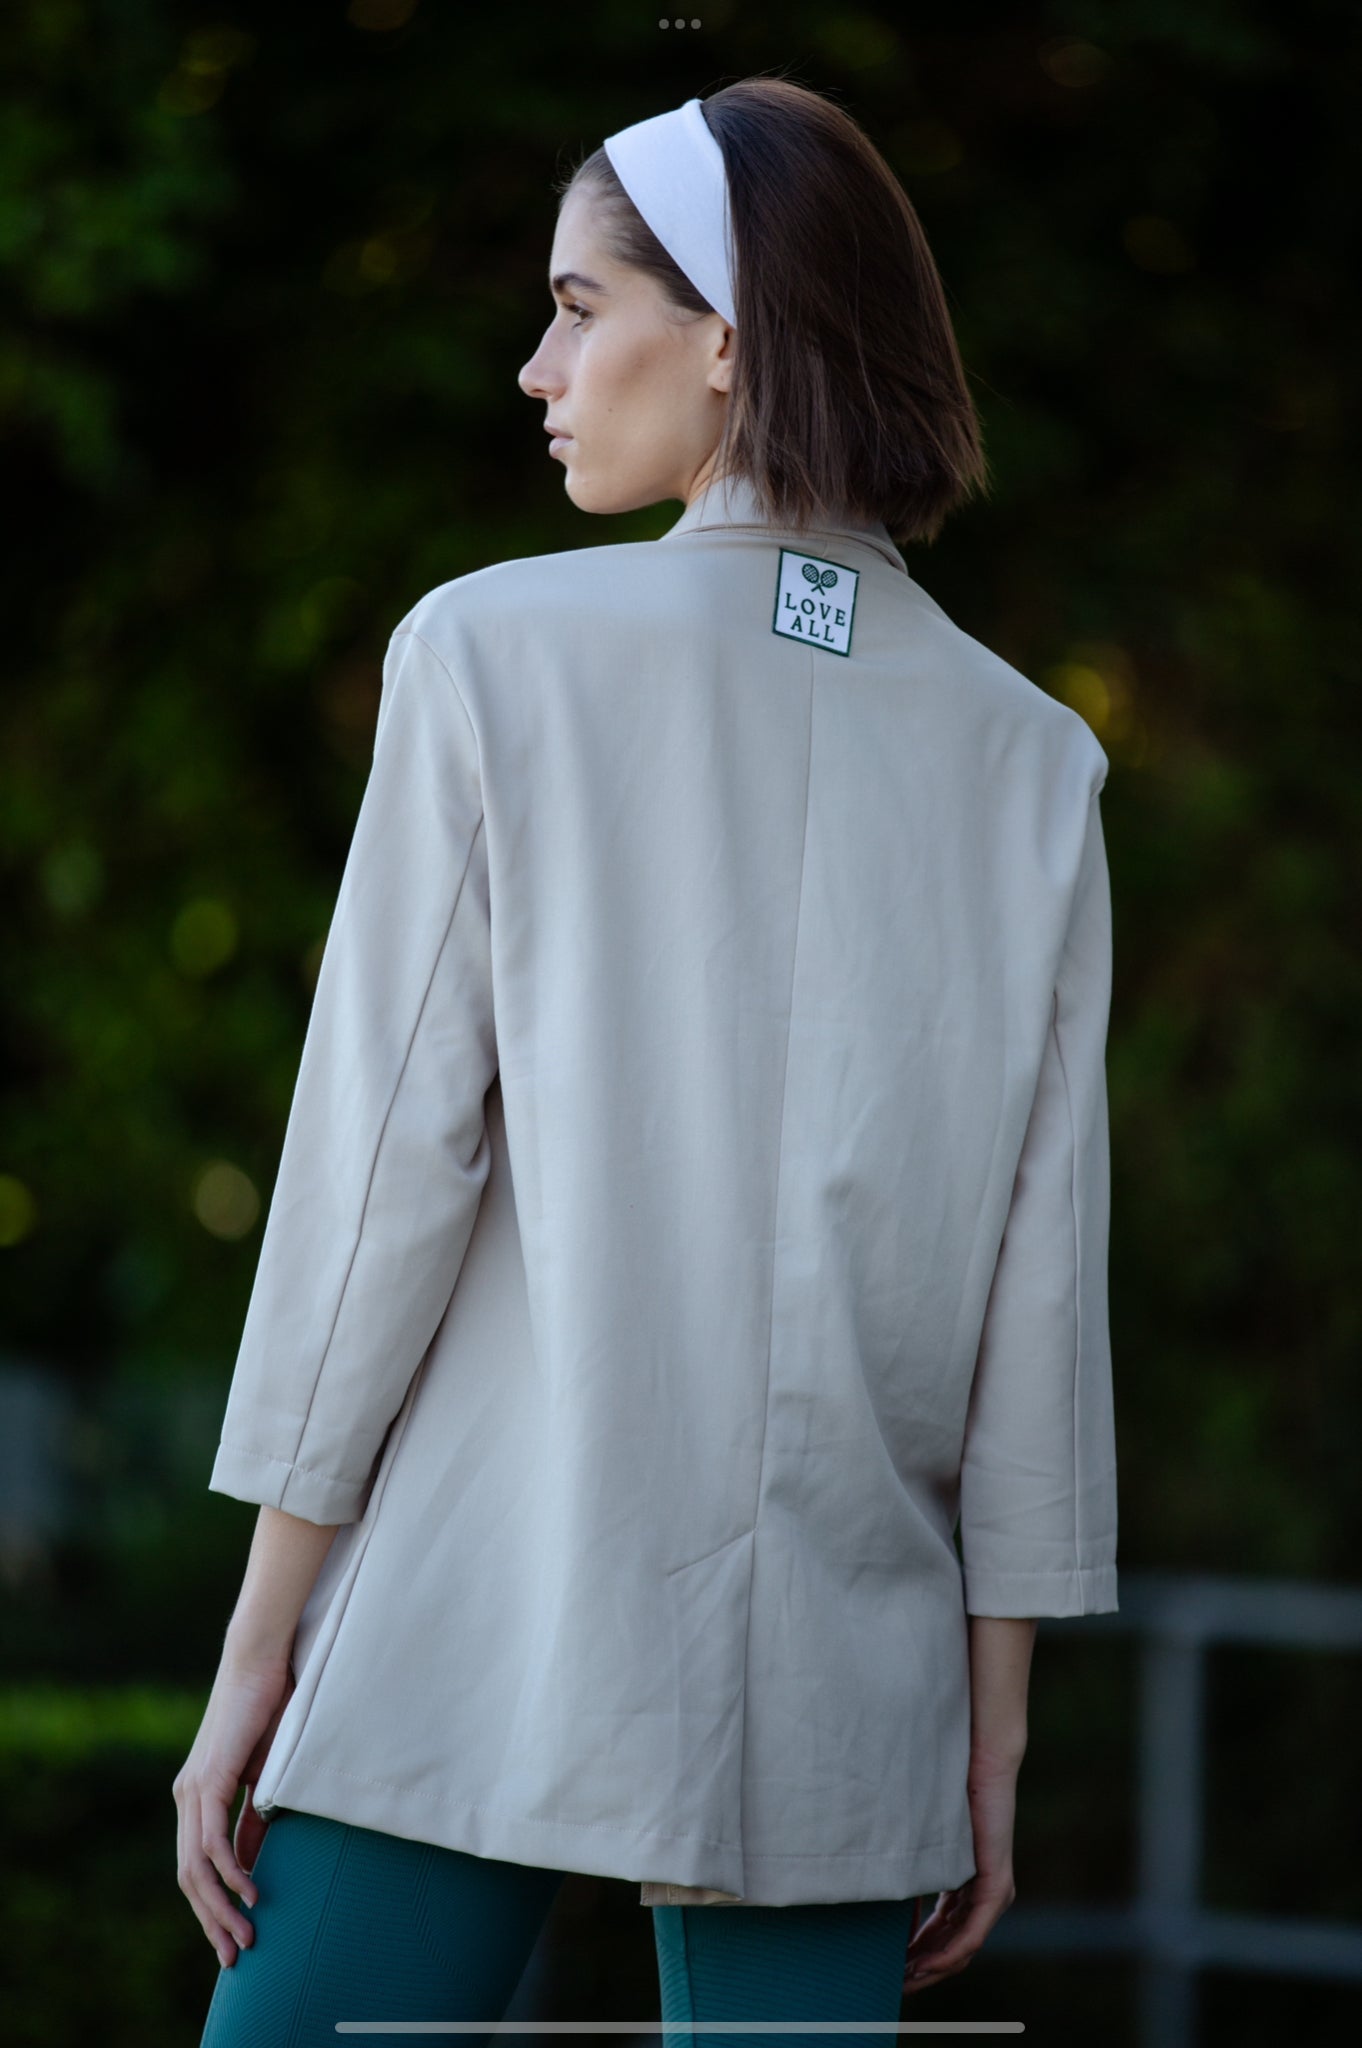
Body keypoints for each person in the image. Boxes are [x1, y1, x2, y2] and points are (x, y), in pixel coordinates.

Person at [176, 77, 1119, 2048]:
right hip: (847, 1683)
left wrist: (260, 1646)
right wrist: (991, 1728)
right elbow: (1037, 1300)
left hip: (474, 1612)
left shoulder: (487, 655)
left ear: (730, 337)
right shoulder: (1034, 762)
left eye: (577, 306)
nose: (538, 369)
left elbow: (376, 1184)